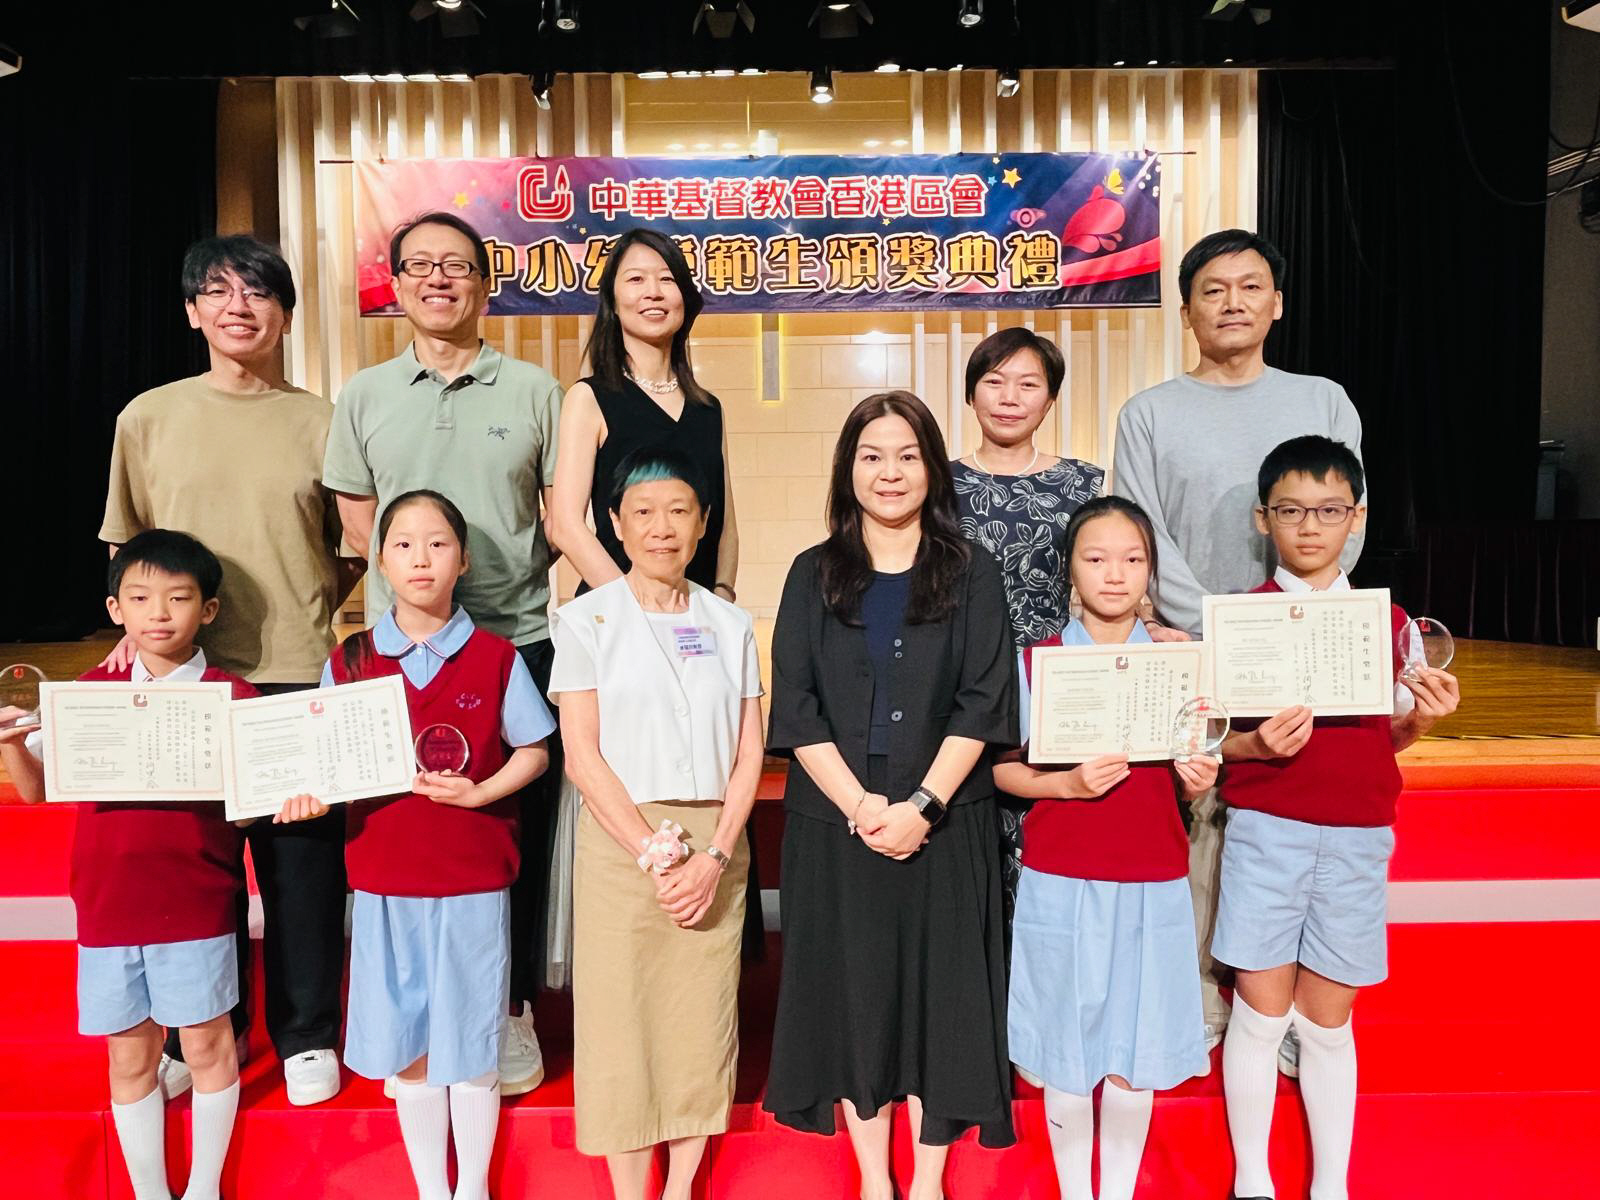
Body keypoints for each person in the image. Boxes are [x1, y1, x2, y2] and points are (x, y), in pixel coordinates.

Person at [100, 235, 354, 1106]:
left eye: (259, 292)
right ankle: (200, 1029)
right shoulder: (147, 417)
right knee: (195, 868)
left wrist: (310, 606)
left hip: (290, 669)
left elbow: (349, 548)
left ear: (285, 314)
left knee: (301, 865)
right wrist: (135, 635)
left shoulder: (322, 420)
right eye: (218, 290)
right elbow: (126, 543)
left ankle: (307, 1035)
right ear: (191, 311)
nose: (239, 306)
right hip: (182, 680)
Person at [322, 211, 564, 1093]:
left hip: (517, 641)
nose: (438, 279)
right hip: (399, 652)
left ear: (484, 284)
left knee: (512, 837)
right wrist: (418, 591)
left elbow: (560, 514)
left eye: (457, 265)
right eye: (419, 265)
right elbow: (359, 523)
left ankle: (509, 1008)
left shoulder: (535, 389)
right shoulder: (365, 394)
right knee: (402, 830)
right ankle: (409, 1011)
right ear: (395, 284)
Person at [1111, 229, 1368, 1052]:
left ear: (1277, 304)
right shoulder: (1149, 413)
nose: (1232, 303)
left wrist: (1278, 619)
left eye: (1250, 287)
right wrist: (1224, 628)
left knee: (1298, 829)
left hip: (1305, 642)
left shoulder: (1323, 401)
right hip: (1194, 648)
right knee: (1203, 824)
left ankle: (1290, 1010)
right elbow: (1143, 534)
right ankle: (1202, 1001)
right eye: (1213, 290)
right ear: (1187, 311)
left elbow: (1345, 521)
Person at [765, 391, 1018, 1200]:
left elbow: (983, 703)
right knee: (858, 998)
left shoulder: (973, 571)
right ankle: (876, 1180)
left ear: (932, 468)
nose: (890, 472)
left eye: (908, 456)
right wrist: (862, 807)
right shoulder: (812, 572)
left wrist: (922, 808)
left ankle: (930, 1180)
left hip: (947, 821)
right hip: (836, 824)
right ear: (848, 469)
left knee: (943, 1000)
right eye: (872, 456)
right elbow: (796, 709)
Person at [276, 489, 554, 1200]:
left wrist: (481, 793)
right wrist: (309, 793)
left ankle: (473, 1187)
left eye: (437, 543)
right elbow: (326, 762)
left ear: (464, 560)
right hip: (385, 882)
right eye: (403, 544)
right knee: (410, 1046)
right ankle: (433, 1188)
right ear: (380, 560)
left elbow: (534, 750)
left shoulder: (495, 657)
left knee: (473, 1042)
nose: (420, 558)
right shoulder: (351, 660)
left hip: (473, 881)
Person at [1216, 437, 1458, 1200]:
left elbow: (1385, 739)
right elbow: (1210, 744)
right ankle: (1252, 1181)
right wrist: (1255, 743)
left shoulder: (1391, 624)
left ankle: (1331, 1185)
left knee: (1327, 1024)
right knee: (1260, 1016)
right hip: (1266, 832)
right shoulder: (1240, 620)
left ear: (1357, 516)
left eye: (1328, 511)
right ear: (1264, 518)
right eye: (1291, 510)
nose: (1310, 527)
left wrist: (1420, 722)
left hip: (1357, 837)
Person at [0, 531, 259, 1200]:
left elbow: (250, 812)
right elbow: (36, 792)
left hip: (196, 900)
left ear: (209, 609)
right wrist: (14, 744)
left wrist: (281, 795)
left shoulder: (233, 696)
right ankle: (149, 1192)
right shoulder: (88, 692)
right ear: (115, 609)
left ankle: (204, 1188)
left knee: (206, 1046)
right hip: (108, 902)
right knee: (129, 1052)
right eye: (140, 598)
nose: (159, 613)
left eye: (178, 598)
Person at [547, 448, 765, 1200]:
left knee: (699, 1020)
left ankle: (679, 1189)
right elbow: (581, 754)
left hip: (714, 844)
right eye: (642, 512)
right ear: (614, 523)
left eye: (679, 511)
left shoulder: (730, 624)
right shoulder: (585, 620)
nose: (661, 527)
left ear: (703, 525)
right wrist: (651, 850)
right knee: (620, 1025)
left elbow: (750, 751)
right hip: (620, 844)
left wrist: (715, 855)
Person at [995, 496, 1217, 1200]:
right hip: (1062, 878)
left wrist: (1197, 779)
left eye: (1132, 559)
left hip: (1153, 876)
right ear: (1069, 568)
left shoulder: (1178, 663)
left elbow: (1194, 770)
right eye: (1095, 558)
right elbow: (1001, 769)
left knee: (1135, 1046)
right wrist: (1064, 785)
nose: (1114, 574)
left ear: (1151, 570)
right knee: (1067, 1046)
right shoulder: (1039, 662)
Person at [951, 326, 1104, 961]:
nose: (1009, 397)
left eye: (1028, 384)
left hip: (1053, 691)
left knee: (1045, 848)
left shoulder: (1084, 485)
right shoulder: (938, 486)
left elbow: (1108, 579)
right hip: (959, 689)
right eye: (994, 381)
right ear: (971, 394)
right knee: (967, 846)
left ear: (1051, 400)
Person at [548, 228, 738, 598]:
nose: (653, 292)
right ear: (613, 301)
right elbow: (567, 526)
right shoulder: (589, 398)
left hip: (693, 613)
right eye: (636, 279)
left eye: (667, 279)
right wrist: (633, 608)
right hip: (616, 609)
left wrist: (723, 593)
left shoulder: (708, 408)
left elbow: (724, 522)